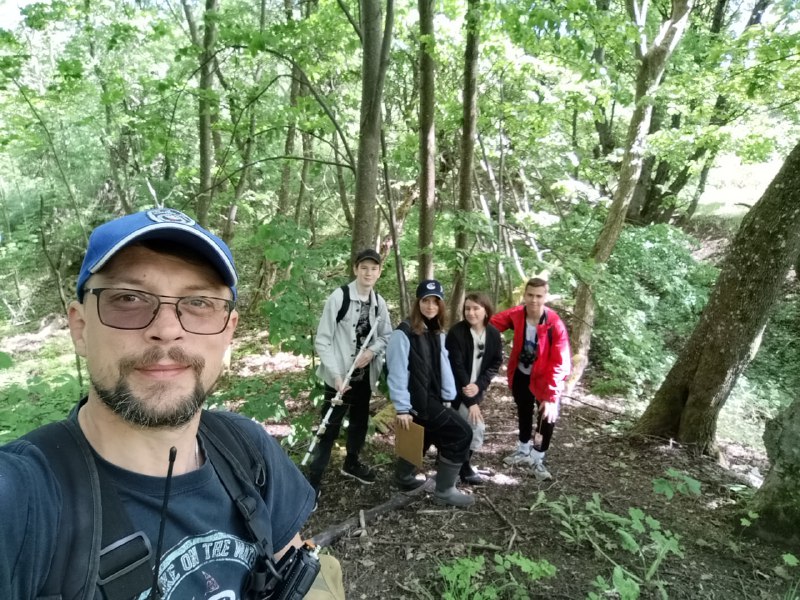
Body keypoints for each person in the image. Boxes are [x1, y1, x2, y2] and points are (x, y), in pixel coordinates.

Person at [0, 208, 323, 599]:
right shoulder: (23, 500)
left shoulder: (248, 451)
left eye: (199, 302)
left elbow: (295, 568)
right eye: (129, 298)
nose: (167, 330)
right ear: (80, 327)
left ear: (228, 333)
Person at [309, 248, 392, 497]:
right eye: (364, 267)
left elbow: (386, 336)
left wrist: (372, 352)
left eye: (374, 269)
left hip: (364, 377)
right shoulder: (339, 297)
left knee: (359, 422)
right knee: (329, 426)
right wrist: (335, 376)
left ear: (379, 272)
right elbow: (323, 340)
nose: (368, 273)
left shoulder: (379, 303)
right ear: (355, 269)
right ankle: (314, 478)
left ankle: (351, 463)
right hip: (339, 377)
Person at [386, 279, 475, 507]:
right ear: (418, 303)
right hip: (418, 401)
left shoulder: (436, 331)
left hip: (433, 398)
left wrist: (447, 396)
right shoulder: (403, 333)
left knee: (425, 434)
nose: (431, 306)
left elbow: (442, 366)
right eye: (426, 300)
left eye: (436, 302)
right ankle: (444, 491)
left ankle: (404, 476)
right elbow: (396, 371)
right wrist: (402, 408)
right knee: (461, 433)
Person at [489, 276, 571, 481]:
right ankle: (523, 449)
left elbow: (560, 361)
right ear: (524, 295)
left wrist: (551, 396)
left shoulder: (554, 324)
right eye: (530, 295)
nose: (534, 300)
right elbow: (491, 324)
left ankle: (537, 457)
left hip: (546, 378)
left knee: (546, 418)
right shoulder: (517, 314)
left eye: (539, 296)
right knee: (524, 410)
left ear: (546, 297)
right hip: (522, 373)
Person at [445, 292, 503, 485]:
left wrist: (479, 386)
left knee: (463, 428)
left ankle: (458, 463)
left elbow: (495, 362)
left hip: (476, 390)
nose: (471, 313)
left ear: (486, 310)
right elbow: (456, 367)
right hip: (455, 391)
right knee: (474, 427)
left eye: (476, 308)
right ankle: (462, 467)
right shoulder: (456, 333)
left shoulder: (493, 334)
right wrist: (471, 401)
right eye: (467, 308)